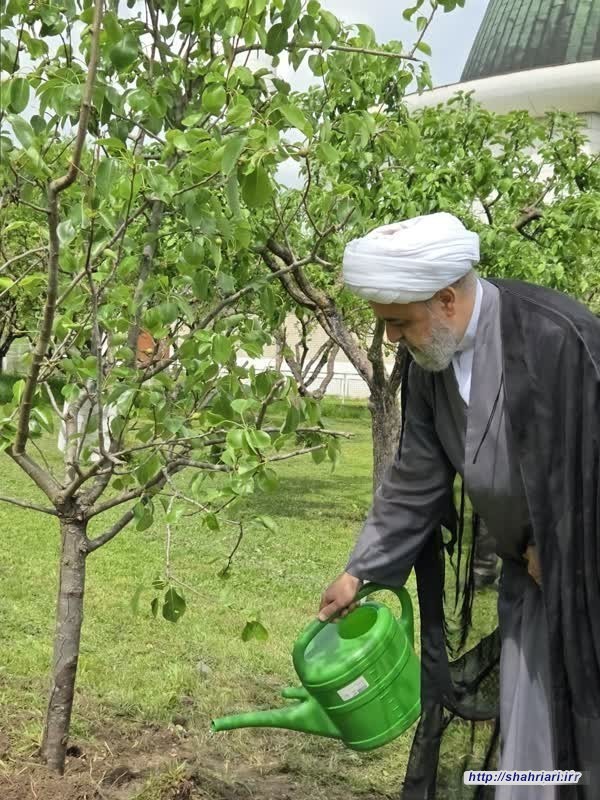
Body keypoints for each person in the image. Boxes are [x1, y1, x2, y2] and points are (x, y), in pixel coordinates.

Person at [317, 212, 600, 799]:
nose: (390, 338)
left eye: (398, 322)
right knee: (535, 744)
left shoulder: (559, 338)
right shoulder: (431, 364)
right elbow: (415, 479)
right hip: (531, 588)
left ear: (446, 299)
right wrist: (359, 572)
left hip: (587, 587)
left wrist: (567, 550)